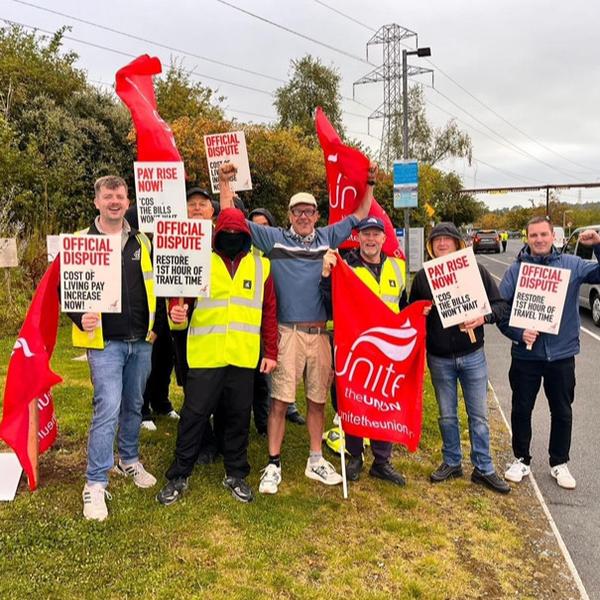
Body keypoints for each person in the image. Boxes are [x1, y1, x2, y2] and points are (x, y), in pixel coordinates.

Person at [218, 162, 376, 495]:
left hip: (319, 334)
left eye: (309, 211)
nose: (303, 217)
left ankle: (315, 458)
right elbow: (231, 217)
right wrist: (223, 181)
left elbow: (361, 213)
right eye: (297, 211)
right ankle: (273, 463)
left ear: (317, 215)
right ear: (289, 215)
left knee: (317, 401)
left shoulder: (328, 236)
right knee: (279, 401)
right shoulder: (273, 239)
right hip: (286, 333)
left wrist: (370, 182)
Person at [156, 207, 278, 504]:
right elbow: (179, 314)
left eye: (239, 233)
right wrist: (178, 315)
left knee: (238, 417)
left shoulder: (262, 266)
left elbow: (269, 312)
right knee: (193, 416)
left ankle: (236, 473)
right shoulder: (199, 261)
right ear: (216, 234)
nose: (232, 237)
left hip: (242, 357)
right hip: (205, 356)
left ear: (247, 236)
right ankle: (179, 474)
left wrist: (271, 351)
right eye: (227, 233)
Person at [69, 175, 162, 521]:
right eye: (108, 196)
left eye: (120, 196)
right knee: (107, 406)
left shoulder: (141, 240)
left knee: (134, 404)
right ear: (96, 201)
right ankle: (94, 482)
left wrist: (153, 330)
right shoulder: (81, 242)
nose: (114, 201)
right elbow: (70, 293)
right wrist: (80, 317)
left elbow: (153, 287)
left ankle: (129, 459)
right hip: (105, 342)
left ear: (127, 201)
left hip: (140, 340)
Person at [498, 216, 600, 489]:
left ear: (553, 236)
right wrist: (519, 334)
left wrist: (598, 246)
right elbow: (500, 309)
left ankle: (559, 462)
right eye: (534, 236)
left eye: (544, 234)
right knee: (521, 409)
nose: (539, 240)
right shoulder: (516, 270)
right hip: (525, 356)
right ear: (527, 238)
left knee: (562, 411)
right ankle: (521, 459)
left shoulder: (572, 265)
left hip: (561, 355)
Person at [409, 222, 510, 494]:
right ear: (431, 246)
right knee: (446, 415)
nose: (442, 243)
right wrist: (420, 312)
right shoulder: (423, 277)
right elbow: (407, 311)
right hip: (439, 358)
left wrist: (483, 316)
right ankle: (452, 461)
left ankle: (484, 467)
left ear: (457, 243)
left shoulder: (475, 271)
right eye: (437, 240)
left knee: (479, 416)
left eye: (447, 239)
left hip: (472, 355)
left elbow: (501, 305)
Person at [320, 216, 407, 485]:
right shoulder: (346, 267)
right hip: (356, 347)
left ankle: (382, 461)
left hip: (388, 350)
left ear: (383, 238)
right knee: (355, 403)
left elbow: (403, 307)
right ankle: (355, 456)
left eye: (375, 235)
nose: (370, 239)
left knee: (383, 404)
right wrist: (326, 274)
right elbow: (328, 302)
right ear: (358, 238)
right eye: (365, 235)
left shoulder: (397, 268)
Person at [249, 208, 305, 430]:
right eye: (255, 225)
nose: (260, 229)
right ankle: (262, 418)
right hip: (253, 319)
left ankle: (288, 408)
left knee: (282, 367)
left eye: (265, 224)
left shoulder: (279, 250)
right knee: (260, 374)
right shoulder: (246, 252)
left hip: (280, 316)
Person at [124, 206, 179, 432]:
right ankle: (143, 408)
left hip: (168, 308)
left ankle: (161, 402)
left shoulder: (169, 230)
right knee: (147, 361)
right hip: (146, 312)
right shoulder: (135, 236)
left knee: (166, 359)